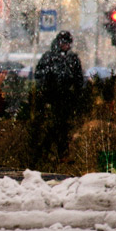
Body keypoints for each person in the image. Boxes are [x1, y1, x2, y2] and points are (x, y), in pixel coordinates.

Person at [32, 30, 84, 161]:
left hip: (66, 99)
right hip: (51, 97)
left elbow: (79, 79)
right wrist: (50, 75)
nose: (66, 46)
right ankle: (47, 152)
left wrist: (77, 94)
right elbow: (38, 74)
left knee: (63, 127)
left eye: (68, 43)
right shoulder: (49, 57)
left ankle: (59, 153)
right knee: (54, 126)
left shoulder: (72, 59)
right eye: (64, 43)